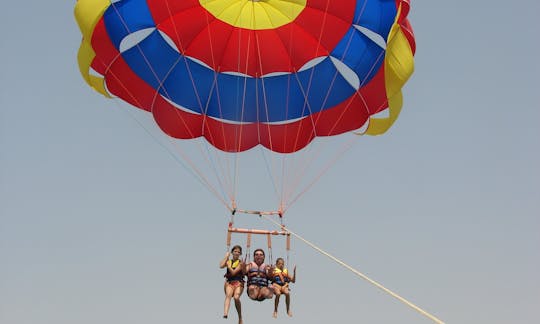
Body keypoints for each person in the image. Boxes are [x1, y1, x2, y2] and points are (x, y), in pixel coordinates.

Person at [219, 245, 244, 324]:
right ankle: (225, 313)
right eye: (235, 251)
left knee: (236, 297)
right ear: (232, 252)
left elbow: (233, 273)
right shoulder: (229, 261)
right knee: (228, 295)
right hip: (229, 283)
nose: (236, 253)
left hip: (238, 283)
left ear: (240, 254)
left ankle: (240, 317)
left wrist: (229, 267)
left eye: (238, 252)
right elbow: (221, 265)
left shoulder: (241, 263)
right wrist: (226, 257)